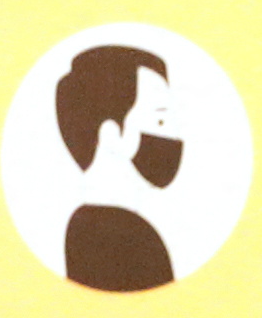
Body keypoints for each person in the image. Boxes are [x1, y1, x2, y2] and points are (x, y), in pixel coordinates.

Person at [49, 38, 183, 292]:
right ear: (113, 136)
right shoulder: (127, 238)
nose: (176, 139)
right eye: (161, 121)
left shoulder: (87, 225)